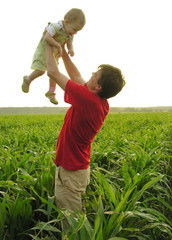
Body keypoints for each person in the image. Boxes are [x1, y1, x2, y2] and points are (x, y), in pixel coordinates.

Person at [45, 41, 125, 228]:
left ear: (98, 87)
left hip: (71, 172)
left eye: (95, 75)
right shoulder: (99, 101)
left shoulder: (87, 100)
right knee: (77, 217)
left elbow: (52, 72)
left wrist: (48, 44)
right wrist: (63, 52)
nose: (90, 75)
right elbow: (76, 75)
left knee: (72, 226)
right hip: (78, 169)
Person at [22, 8, 86, 104]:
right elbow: (47, 37)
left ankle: (51, 92)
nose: (75, 33)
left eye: (77, 31)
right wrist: (58, 45)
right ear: (66, 22)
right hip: (43, 52)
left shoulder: (70, 34)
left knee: (55, 74)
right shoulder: (55, 27)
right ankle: (28, 79)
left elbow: (69, 43)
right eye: (75, 29)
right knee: (40, 71)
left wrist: (70, 49)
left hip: (54, 54)